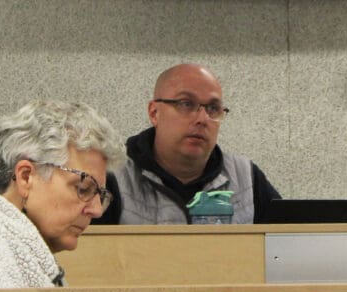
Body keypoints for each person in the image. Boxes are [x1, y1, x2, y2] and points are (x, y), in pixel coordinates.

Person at [0, 99, 125, 289]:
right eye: (83, 189)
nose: (97, 210)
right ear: (26, 177)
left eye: (100, 195)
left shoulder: (6, 244)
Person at [95, 63, 280, 225]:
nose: (202, 119)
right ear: (154, 113)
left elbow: (288, 246)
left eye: (213, 109)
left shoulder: (246, 177)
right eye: (186, 104)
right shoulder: (112, 175)